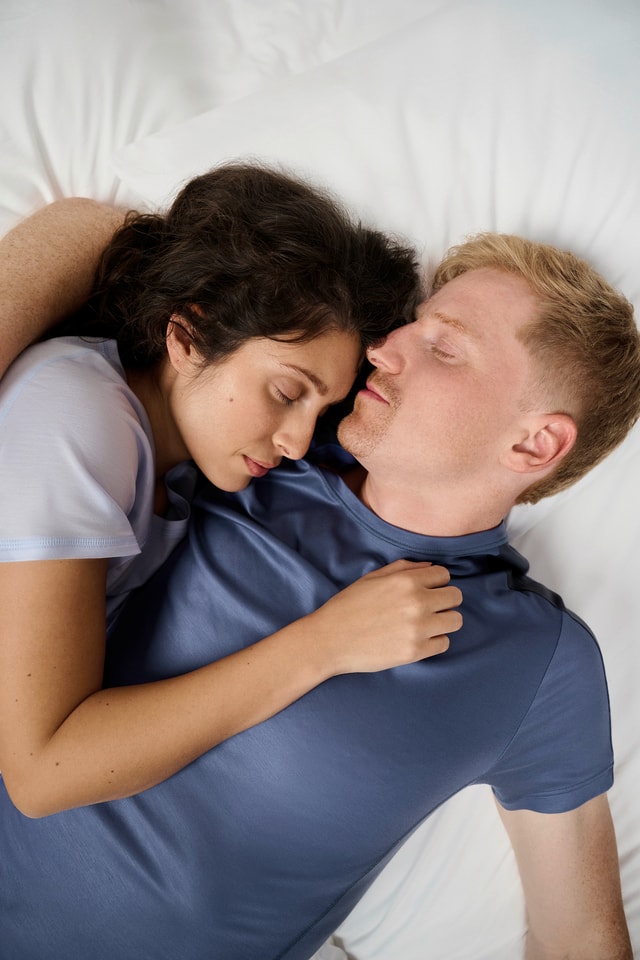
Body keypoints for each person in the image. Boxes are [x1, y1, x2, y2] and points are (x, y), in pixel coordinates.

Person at [1, 231, 637, 960]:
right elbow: (93, 230)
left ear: (533, 446)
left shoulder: (537, 661)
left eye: (446, 347)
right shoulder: (257, 451)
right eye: (412, 324)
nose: (385, 348)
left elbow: (580, 935)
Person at [0, 163, 463, 818]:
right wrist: (322, 645)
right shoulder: (80, 415)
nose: (298, 441)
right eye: (286, 393)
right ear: (186, 337)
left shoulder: (173, 466)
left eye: (320, 409)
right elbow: (41, 771)